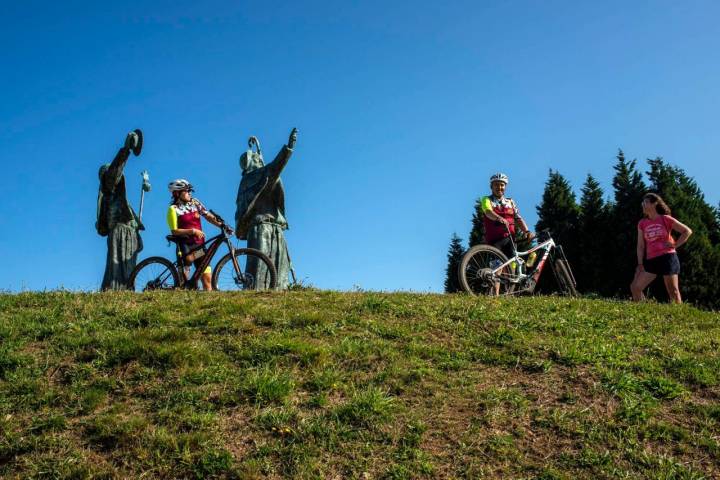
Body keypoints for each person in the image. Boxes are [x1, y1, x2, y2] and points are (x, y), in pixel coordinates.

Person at [97, 130, 144, 290]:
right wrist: (126, 150)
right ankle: (116, 290)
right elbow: (115, 171)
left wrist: (136, 229)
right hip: (120, 231)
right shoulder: (108, 186)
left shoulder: (120, 200)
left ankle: (126, 290)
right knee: (118, 266)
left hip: (129, 232)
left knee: (128, 266)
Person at [630, 193, 692, 303]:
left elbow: (687, 231)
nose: (643, 205)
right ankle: (643, 312)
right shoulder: (642, 223)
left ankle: (679, 316)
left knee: (673, 291)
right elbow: (640, 246)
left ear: (655, 203)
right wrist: (640, 264)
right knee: (635, 287)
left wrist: (675, 245)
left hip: (668, 257)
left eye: (646, 202)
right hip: (651, 259)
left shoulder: (665, 219)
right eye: (642, 203)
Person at [167, 179, 225, 291]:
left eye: (190, 191)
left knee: (208, 283)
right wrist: (192, 231)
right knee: (183, 285)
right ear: (177, 193)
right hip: (185, 246)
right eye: (187, 191)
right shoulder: (173, 209)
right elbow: (174, 231)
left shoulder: (195, 203)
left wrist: (221, 225)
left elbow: (207, 215)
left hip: (200, 246)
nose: (190, 193)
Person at [481, 172, 534, 258]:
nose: (499, 187)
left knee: (512, 268)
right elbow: (488, 212)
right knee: (498, 266)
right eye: (496, 185)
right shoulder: (486, 199)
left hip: (511, 240)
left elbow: (518, 218)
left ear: (505, 187)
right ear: (491, 187)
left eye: (502, 185)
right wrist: (498, 218)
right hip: (494, 240)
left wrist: (527, 231)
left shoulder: (510, 202)